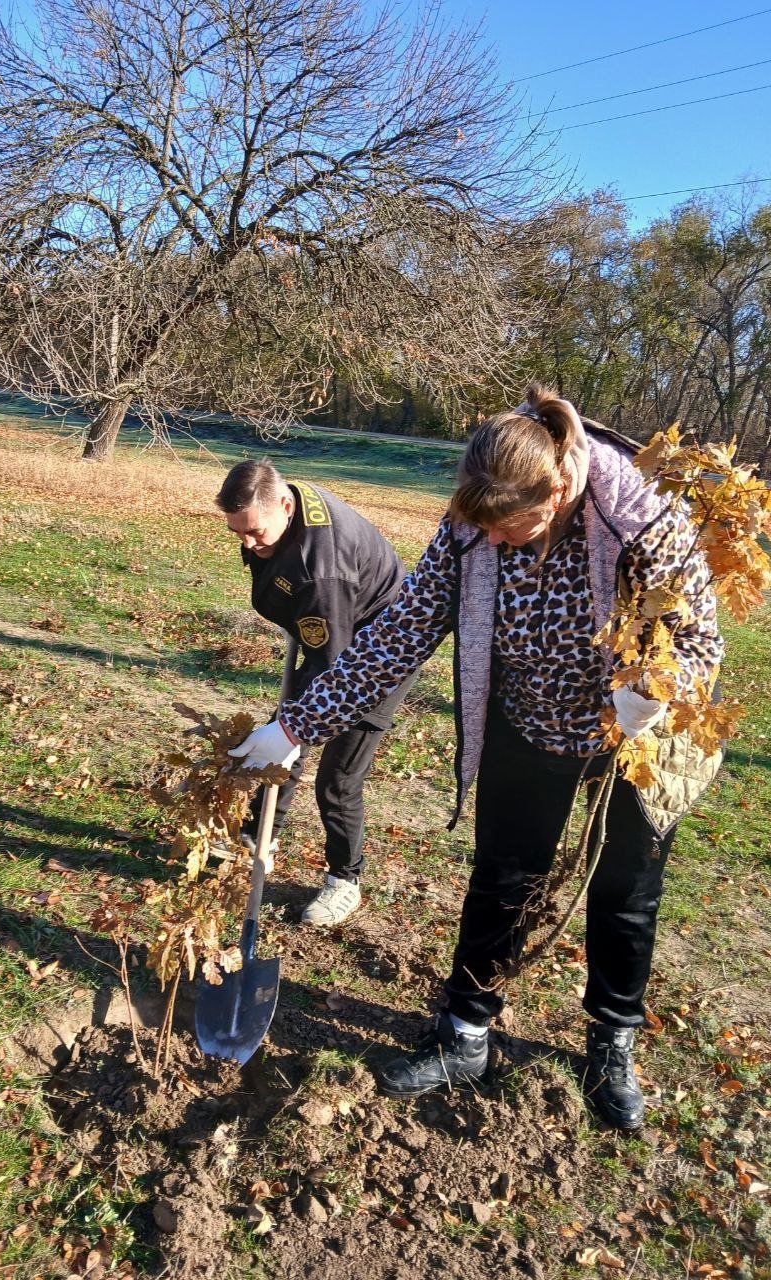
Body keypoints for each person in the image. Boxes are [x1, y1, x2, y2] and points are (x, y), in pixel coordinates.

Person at [230, 387, 724, 1129]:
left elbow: (700, 643)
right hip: (525, 721)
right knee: (501, 877)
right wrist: (299, 725)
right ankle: (465, 1034)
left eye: (509, 529)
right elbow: (400, 633)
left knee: (625, 889)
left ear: (558, 492)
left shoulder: (641, 516)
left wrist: (658, 687)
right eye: (482, 527)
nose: (492, 542)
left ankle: (610, 1044)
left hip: (637, 736)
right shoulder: (468, 527)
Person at [217, 458, 417, 926]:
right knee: (281, 746)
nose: (248, 543)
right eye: (238, 533)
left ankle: (344, 881)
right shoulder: (286, 504)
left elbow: (336, 670)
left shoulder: (321, 570)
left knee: (338, 779)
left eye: (256, 533)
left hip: (381, 656)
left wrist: (293, 725)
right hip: (332, 632)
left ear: (284, 506)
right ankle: (259, 839)